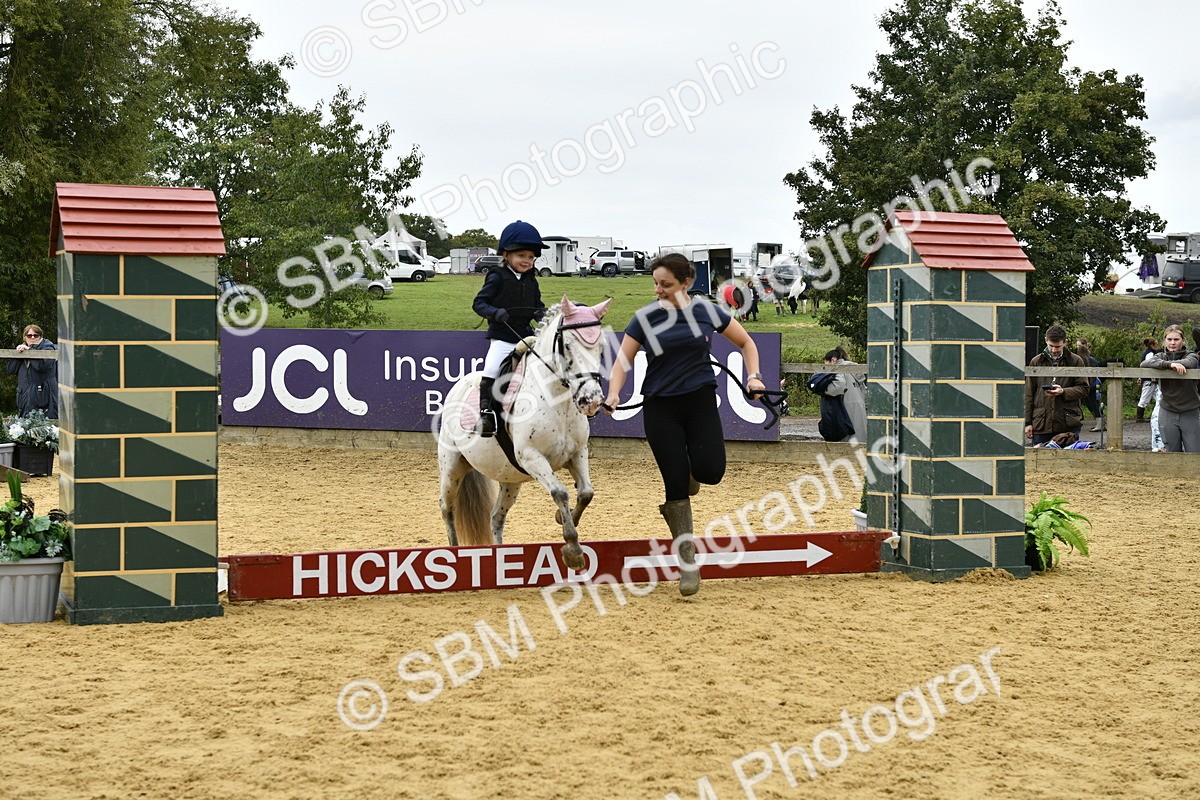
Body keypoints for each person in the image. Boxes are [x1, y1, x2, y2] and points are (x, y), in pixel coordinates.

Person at [603, 253, 765, 597]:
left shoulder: (706, 311)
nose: (658, 290)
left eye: (666, 284)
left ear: (686, 283)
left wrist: (754, 376)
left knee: (711, 472)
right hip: (660, 407)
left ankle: (692, 469)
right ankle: (687, 560)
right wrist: (615, 393)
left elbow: (746, 342)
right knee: (675, 484)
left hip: (699, 401)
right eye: (656, 284)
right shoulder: (645, 317)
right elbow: (623, 359)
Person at [471, 221, 548, 438]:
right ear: (506, 255)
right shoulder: (496, 276)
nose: (527, 261)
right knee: (493, 368)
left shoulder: (532, 280)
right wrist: (495, 313)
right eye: (521, 255)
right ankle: (486, 414)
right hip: (504, 336)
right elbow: (479, 303)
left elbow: (537, 305)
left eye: (531, 257)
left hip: (526, 336)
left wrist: (540, 313)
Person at [1024, 324, 1089, 446]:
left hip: (1067, 423)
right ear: (1045, 340)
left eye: (1057, 346)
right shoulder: (1036, 361)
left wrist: (1063, 392)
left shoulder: (1076, 361)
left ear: (1065, 342)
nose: (1054, 350)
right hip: (1041, 424)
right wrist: (1027, 422)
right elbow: (1029, 394)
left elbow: (1084, 389)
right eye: (1051, 346)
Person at [1141, 325, 1200, 452]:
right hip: (1167, 411)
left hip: (1190, 411)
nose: (1172, 343)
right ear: (1164, 340)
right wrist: (1169, 364)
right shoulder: (1161, 356)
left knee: (1195, 453)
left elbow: (1190, 363)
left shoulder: (1190, 355)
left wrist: (1170, 365)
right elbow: (1144, 363)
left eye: (1176, 339)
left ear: (1183, 340)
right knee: (1172, 453)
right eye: (1169, 339)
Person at [6, 324, 58, 418]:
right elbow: (11, 369)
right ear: (24, 338)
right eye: (29, 335)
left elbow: (42, 366)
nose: (32, 337)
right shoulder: (23, 349)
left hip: (44, 397)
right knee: (24, 428)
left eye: (36, 335)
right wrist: (19, 354)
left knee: (45, 428)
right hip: (25, 396)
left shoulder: (48, 348)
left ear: (40, 336)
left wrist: (30, 351)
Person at [819, 348, 867, 444]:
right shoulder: (855, 371)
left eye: (826, 364)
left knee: (846, 445)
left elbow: (838, 387)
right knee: (861, 443)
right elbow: (866, 392)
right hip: (861, 411)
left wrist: (821, 389)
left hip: (846, 411)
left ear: (833, 360)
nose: (825, 367)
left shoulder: (839, 369)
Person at [1073, 339, 1104, 431]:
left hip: (1086, 385)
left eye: (1078, 346)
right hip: (1094, 384)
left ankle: (1100, 424)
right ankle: (1100, 423)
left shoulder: (1079, 360)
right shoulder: (1092, 359)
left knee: (1092, 404)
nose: (1077, 347)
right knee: (1094, 404)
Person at [1136, 336, 1160, 422]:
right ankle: (1139, 417)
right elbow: (1150, 365)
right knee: (1144, 398)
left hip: (1149, 379)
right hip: (1149, 380)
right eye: (1156, 344)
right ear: (1152, 345)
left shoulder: (1148, 353)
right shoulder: (1150, 354)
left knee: (1158, 397)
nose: (1158, 345)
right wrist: (1152, 377)